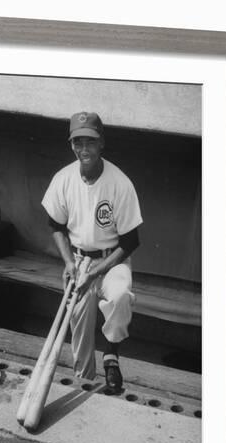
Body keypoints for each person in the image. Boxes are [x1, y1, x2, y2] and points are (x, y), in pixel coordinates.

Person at [41, 112, 143, 393]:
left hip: (113, 259)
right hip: (79, 261)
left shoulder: (119, 183)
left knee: (121, 295)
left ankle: (111, 355)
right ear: (71, 144)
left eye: (90, 142)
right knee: (79, 327)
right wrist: (69, 263)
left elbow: (131, 241)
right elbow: (56, 226)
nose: (83, 149)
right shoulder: (63, 179)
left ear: (102, 144)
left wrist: (95, 271)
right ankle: (84, 381)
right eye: (78, 142)